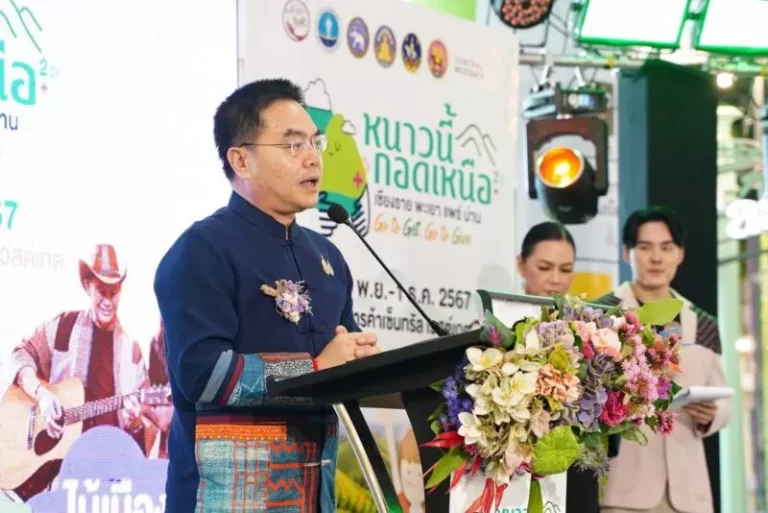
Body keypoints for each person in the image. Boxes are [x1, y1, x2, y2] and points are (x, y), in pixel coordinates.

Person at [154, 78, 381, 513]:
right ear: (241, 159)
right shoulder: (202, 249)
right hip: (224, 501)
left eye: (314, 143)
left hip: (314, 498)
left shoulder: (328, 257)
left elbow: (340, 363)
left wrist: (362, 362)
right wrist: (315, 368)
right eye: (293, 145)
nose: (313, 157)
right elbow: (203, 373)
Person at [598, 206, 731, 513]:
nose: (656, 258)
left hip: (689, 494)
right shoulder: (603, 314)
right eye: (645, 248)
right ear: (627, 253)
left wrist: (713, 413)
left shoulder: (703, 323)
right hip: (623, 488)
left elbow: (723, 398)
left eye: (666, 248)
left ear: (680, 254)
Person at [7, 244, 149, 499]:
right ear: (87, 286)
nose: (108, 301)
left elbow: (140, 439)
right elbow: (21, 354)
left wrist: (136, 422)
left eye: (114, 292)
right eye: (101, 291)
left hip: (105, 477)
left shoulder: (132, 352)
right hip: (56, 473)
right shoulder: (64, 327)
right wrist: (42, 395)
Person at [517, 221, 603, 513]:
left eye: (566, 270)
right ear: (521, 265)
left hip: (576, 468)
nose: (555, 279)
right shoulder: (495, 327)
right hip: (513, 466)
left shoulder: (591, 332)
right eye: (544, 267)